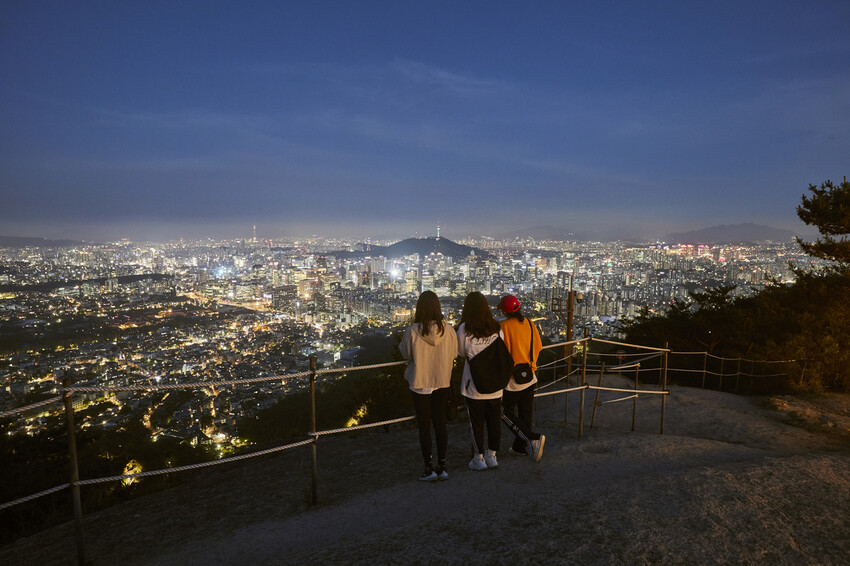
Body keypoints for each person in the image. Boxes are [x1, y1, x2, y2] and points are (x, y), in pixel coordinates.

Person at [400, 291, 458, 481]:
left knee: (424, 426)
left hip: (420, 382)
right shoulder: (448, 330)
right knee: (440, 424)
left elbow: (405, 353)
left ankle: (428, 468)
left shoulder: (412, 331)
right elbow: (455, 354)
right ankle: (442, 466)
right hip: (442, 380)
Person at [456, 291, 504, 471]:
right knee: (494, 420)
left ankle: (478, 458)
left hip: (473, 385)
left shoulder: (464, 329)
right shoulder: (497, 327)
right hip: (495, 384)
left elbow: (461, 353)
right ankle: (492, 456)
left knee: (475, 422)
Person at [497, 294, 545, 462]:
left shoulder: (502, 327)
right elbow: (538, 347)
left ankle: (532, 438)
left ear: (504, 310)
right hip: (530, 375)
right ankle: (520, 447)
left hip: (512, 379)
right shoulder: (531, 324)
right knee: (525, 413)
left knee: (502, 411)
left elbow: (499, 354)